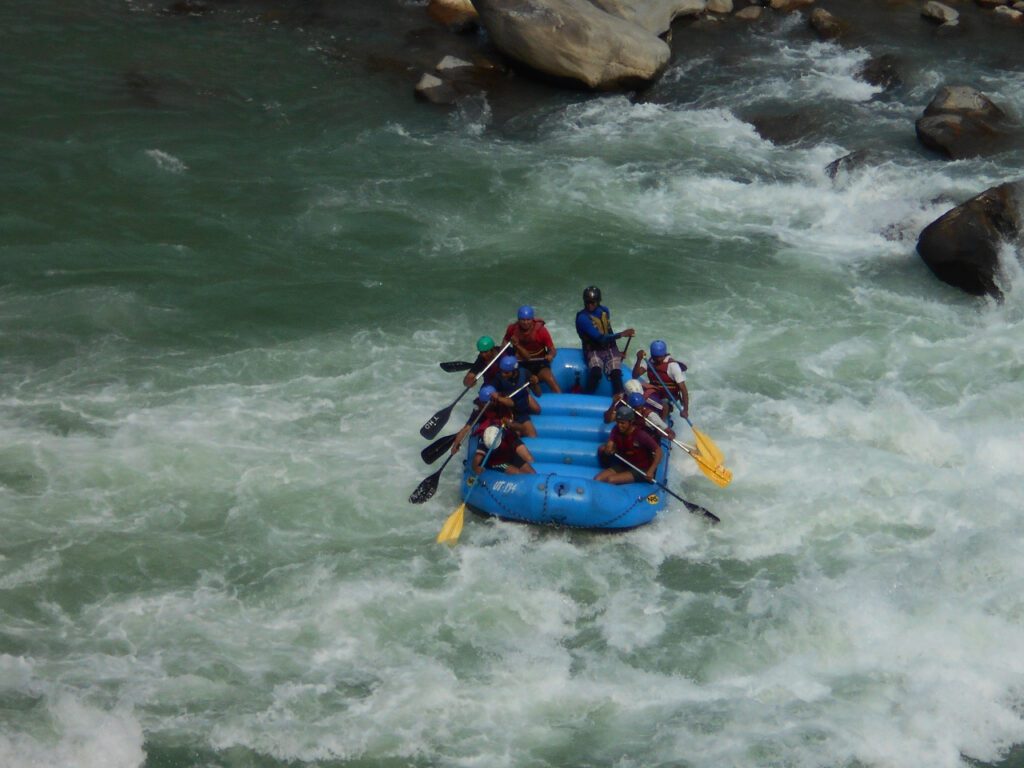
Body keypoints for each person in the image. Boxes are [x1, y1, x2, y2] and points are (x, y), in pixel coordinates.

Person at [575, 285, 635, 395]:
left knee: (616, 373)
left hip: (609, 347)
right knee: (596, 373)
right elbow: (600, 338)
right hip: (593, 350)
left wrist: (617, 352)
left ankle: (619, 399)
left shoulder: (604, 311)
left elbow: (609, 331)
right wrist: (622, 334)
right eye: (587, 302)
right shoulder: (582, 318)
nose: (590, 305)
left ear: (598, 301)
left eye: (593, 302)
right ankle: (587, 396)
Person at [595, 406, 663, 485]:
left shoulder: (640, 435)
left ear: (630, 422)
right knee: (597, 479)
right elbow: (610, 444)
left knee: (611, 480)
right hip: (624, 464)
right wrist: (608, 449)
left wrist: (651, 470)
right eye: (618, 422)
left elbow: (658, 451)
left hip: (641, 469)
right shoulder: (616, 429)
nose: (619, 425)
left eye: (623, 423)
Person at [502, 305, 561, 395]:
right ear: (518, 320)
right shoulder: (512, 329)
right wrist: (505, 356)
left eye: (528, 320)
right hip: (521, 363)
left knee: (550, 379)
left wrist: (550, 355)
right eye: (523, 320)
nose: (525, 323)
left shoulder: (541, 331)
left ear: (532, 319)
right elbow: (505, 341)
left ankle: (560, 400)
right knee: (516, 384)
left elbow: (552, 349)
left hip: (539, 363)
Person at [632, 339, 689, 418]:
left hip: (669, 396)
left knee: (664, 403)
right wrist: (639, 360)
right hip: (656, 393)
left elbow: (683, 389)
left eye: (660, 357)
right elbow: (635, 376)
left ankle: (663, 423)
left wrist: (685, 410)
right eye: (656, 357)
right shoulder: (650, 361)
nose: (658, 359)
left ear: (664, 354)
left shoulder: (672, 366)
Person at [449, 384, 510, 455]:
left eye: (485, 403)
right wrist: (455, 445)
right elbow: (466, 429)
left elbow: (511, 404)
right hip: (490, 425)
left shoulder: (502, 401)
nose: (484, 405)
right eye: (483, 403)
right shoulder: (478, 411)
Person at [493, 355, 540, 438]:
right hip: (511, 411)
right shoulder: (498, 379)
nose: (503, 374)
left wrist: (535, 384)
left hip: (522, 405)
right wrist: (497, 396)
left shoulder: (525, 373)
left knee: (537, 411)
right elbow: (494, 394)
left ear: (514, 371)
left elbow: (538, 394)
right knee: (526, 435)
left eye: (506, 372)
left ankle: (528, 399)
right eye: (502, 371)